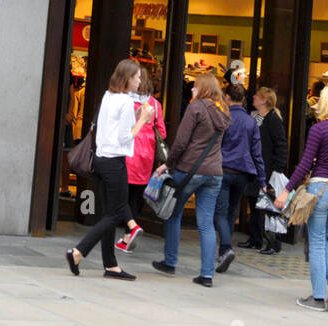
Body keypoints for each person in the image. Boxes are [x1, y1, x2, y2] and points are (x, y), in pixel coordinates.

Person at [65, 59, 153, 280]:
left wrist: (138, 114)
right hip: (115, 161)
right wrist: (143, 119)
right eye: (137, 77)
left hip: (102, 160)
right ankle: (78, 251)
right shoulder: (123, 101)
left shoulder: (109, 96)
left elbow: (113, 128)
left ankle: (110, 265)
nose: (140, 81)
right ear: (128, 79)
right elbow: (125, 137)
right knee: (115, 214)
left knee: (109, 213)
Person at [275, 85, 328, 311]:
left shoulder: (319, 130)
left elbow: (304, 164)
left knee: (317, 241)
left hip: (321, 189)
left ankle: (318, 297)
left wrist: (286, 190)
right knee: (323, 238)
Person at [151, 73, 231, 286]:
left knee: (173, 214)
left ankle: (170, 261)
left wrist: (168, 164)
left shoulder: (195, 108)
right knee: (206, 223)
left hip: (190, 170)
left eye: (195, 86)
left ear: (203, 88)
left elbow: (181, 142)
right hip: (215, 173)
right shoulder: (223, 111)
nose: (192, 89)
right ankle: (207, 275)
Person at [213, 83, 266, 273]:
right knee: (231, 213)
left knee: (220, 213)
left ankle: (226, 248)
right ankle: (223, 254)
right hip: (243, 173)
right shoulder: (252, 121)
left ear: (227, 97)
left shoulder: (223, 116)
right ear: (243, 99)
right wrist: (262, 181)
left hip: (223, 169)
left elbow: (214, 144)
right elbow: (257, 153)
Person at [117, 67, 165, 253]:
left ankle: (127, 231)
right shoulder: (155, 104)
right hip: (147, 154)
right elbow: (162, 132)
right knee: (137, 196)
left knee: (123, 194)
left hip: (130, 150)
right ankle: (130, 234)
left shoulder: (127, 102)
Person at [251, 86, 288, 254]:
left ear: (264, 100)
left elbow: (281, 145)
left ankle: (273, 241)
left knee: (270, 206)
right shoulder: (259, 117)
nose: (253, 98)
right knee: (256, 203)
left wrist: (278, 169)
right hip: (259, 167)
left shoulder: (273, 120)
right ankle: (256, 238)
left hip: (269, 169)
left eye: (257, 96)